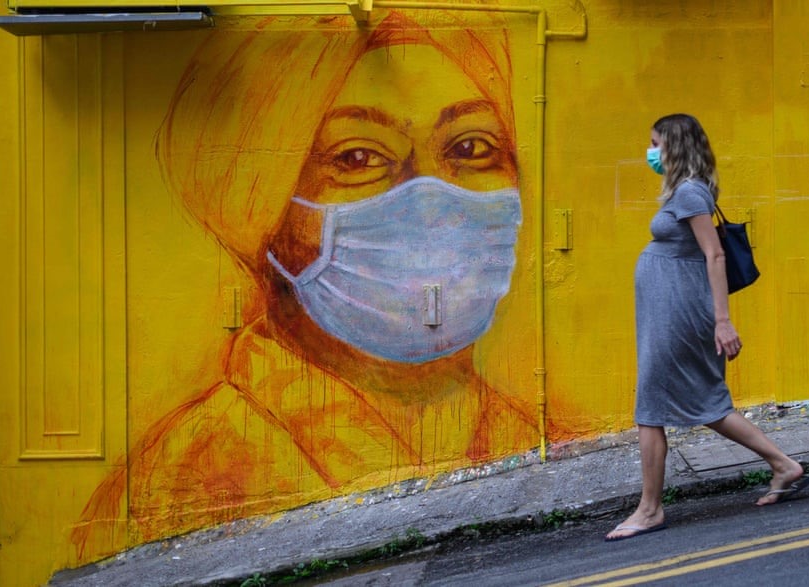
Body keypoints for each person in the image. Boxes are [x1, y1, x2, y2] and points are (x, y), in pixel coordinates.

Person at [71, 10, 546, 562]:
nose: (431, 196)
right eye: (358, 158)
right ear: (266, 211)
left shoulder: (520, 433)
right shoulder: (185, 477)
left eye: (471, 148)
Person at [605, 114, 808, 542]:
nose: (651, 152)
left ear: (675, 145)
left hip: (681, 314)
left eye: (655, 143)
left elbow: (714, 256)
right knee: (705, 402)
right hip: (670, 310)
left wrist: (722, 321)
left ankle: (650, 509)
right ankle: (784, 465)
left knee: (652, 407)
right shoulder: (686, 190)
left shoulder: (691, 192)